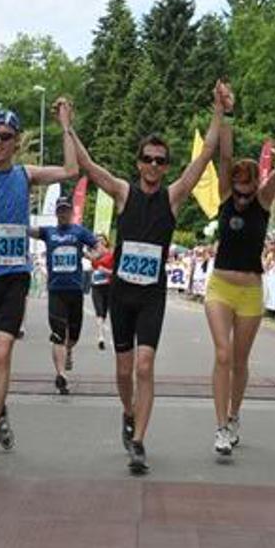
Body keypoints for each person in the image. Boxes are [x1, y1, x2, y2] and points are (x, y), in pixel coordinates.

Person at [70, 80, 229, 473]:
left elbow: (205, 154)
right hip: (122, 296)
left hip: (151, 298)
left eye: (161, 161)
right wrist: (67, 127)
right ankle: (128, 412)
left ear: (166, 166)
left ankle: (139, 442)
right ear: (139, 162)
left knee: (144, 366)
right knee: (124, 371)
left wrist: (218, 110)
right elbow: (88, 166)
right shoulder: (124, 193)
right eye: (148, 159)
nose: (154, 166)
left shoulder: (173, 197)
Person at [0, 102, 78, 465]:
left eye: (5, 137)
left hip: (14, 277)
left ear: (17, 141)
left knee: (4, 352)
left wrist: (65, 126)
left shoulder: (25, 175)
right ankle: (1, 411)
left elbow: (71, 169)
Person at [207, 104, 275, 456]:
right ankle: (220, 426)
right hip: (220, 287)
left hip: (250, 290)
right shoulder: (225, 197)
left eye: (248, 191)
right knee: (222, 353)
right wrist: (226, 115)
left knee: (239, 361)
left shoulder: (262, 201)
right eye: (238, 190)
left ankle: (234, 416)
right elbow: (225, 156)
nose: (243, 198)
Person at [28, 197, 99, 394]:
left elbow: (98, 246)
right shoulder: (49, 232)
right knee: (58, 334)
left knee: (73, 336)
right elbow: (28, 230)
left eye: (66, 210)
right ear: (56, 213)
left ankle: (69, 350)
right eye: (60, 211)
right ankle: (61, 375)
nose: (63, 214)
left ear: (71, 212)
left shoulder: (79, 232)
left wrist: (94, 255)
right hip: (56, 290)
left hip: (75, 290)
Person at [89, 234, 114, 350]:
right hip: (96, 286)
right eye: (97, 241)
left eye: (102, 240)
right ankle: (100, 337)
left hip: (109, 286)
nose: (99, 242)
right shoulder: (94, 255)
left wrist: (106, 271)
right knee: (99, 312)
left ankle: (114, 337)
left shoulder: (111, 254)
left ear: (106, 242)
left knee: (109, 312)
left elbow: (115, 272)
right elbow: (92, 265)